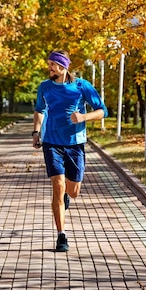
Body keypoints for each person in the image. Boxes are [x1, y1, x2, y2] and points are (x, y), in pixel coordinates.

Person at [32, 50, 107, 252]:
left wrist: (83, 118)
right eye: (48, 64)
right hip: (51, 142)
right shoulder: (45, 87)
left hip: (75, 143)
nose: (49, 68)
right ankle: (61, 235)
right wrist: (36, 132)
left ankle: (66, 195)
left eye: (52, 64)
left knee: (72, 192)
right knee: (58, 185)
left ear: (63, 67)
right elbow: (39, 110)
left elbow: (102, 111)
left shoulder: (81, 86)